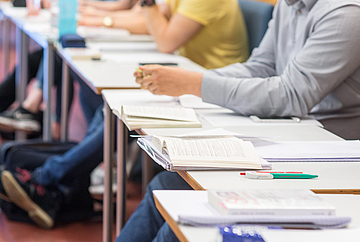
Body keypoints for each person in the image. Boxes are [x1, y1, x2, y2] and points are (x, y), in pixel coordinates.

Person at [48, 0, 360, 242]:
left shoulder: (348, 13)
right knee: (166, 186)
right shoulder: (289, 5)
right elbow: (261, 67)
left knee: (192, 208)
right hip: (291, 137)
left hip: (329, 156)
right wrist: (189, 82)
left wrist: (194, 84)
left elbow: (290, 95)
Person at [0, 0, 249, 228]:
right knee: (107, 105)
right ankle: (70, 175)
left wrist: (131, 8)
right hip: (186, 82)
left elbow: (165, 40)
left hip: (209, 94)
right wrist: (99, 19)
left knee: (118, 111)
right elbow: (142, 21)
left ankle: (47, 177)